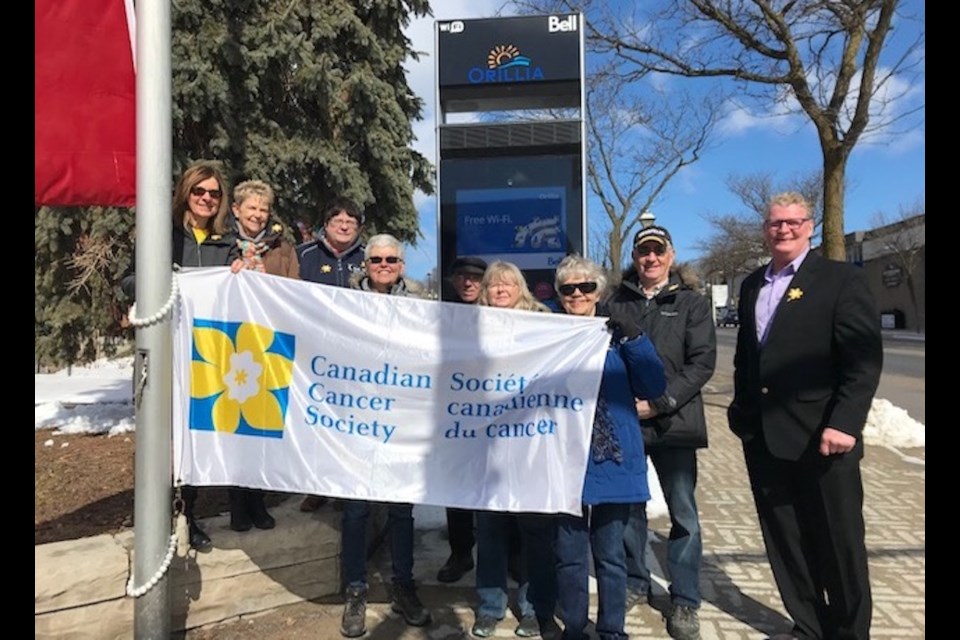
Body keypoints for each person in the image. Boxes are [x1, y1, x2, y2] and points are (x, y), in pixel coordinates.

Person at [728, 193, 882, 640]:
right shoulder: (753, 284)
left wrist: (846, 422)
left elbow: (863, 360)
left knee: (839, 542)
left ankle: (851, 631)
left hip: (824, 436)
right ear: (765, 228)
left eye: (794, 222)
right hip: (765, 437)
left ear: (810, 226)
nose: (784, 230)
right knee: (787, 541)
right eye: (776, 223)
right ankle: (809, 625)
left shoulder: (839, 280)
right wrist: (742, 415)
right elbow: (745, 358)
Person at [121, 159, 240, 551]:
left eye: (214, 194)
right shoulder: (161, 234)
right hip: (164, 348)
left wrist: (242, 275)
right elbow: (127, 279)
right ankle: (154, 520)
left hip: (206, 353)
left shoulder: (227, 241)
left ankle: (189, 514)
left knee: (195, 436)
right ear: (185, 194)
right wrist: (163, 281)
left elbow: (236, 296)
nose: (206, 199)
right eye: (199, 191)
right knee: (161, 436)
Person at [607, 225, 716, 640]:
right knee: (631, 509)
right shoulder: (615, 301)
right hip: (626, 423)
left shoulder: (692, 303)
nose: (650, 259)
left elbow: (702, 364)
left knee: (683, 514)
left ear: (670, 255)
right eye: (643, 252)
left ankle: (686, 600)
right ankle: (636, 581)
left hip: (675, 424)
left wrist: (660, 402)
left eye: (657, 251)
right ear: (635, 257)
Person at [553, 255, 668, 640]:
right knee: (569, 556)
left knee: (610, 556)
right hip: (563, 458)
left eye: (585, 286)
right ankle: (573, 627)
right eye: (568, 288)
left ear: (598, 291)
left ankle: (612, 631)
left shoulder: (618, 333)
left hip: (612, 455)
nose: (577, 294)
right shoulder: (546, 334)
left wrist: (635, 339)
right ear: (559, 294)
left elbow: (653, 385)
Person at [338, 234, 432, 638]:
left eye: (391, 259)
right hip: (357, 419)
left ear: (402, 264)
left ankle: (402, 584)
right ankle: (356, 588)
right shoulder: (343, 301)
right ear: (365, 262)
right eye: (376, 258)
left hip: (403, 420)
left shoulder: (423, 303)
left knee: (400, 510)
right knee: (356, 509)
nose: (383, 264)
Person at [472, 260, 556, 639]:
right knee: (489, 529)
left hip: (531, 444)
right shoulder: (468, 328)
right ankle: (490, 606)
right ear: (485, 292)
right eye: (493, 285)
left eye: (508, 283)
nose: (500, 290)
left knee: (534, 530)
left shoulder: (544, 324)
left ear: (520, 287)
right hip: (485, 446)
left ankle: (532, 607)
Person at [225, 179, 300, 532]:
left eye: (263, 209)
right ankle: (237, 501)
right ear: (236, 210)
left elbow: (295, 290)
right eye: (251, 208)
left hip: (269, 342)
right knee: (233, 424)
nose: (258, 214)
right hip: (230, 342)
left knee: (263, 421)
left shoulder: (282, 246)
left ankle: (258, 499)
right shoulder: (222, 243)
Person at [295, 197, 365, 512]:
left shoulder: (369, 259)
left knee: (351, 421)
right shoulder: (304, 256)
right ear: (327, 224)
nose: (345, 224)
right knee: (316, 421)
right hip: (313, 355)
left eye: (351, 220)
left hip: (356, 359)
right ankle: (317, 486)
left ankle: (346, 486)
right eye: (338, 219)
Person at [435, 255, 487, 584]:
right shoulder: (438, 315)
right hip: (452, 412)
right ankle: (461, 552)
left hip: (495, 412)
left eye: (475, 277)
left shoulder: (503, 313)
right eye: (461, 277)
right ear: (453, 281)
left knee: (498, 483)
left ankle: (508, 553)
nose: (468, 283)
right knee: (455, 488)